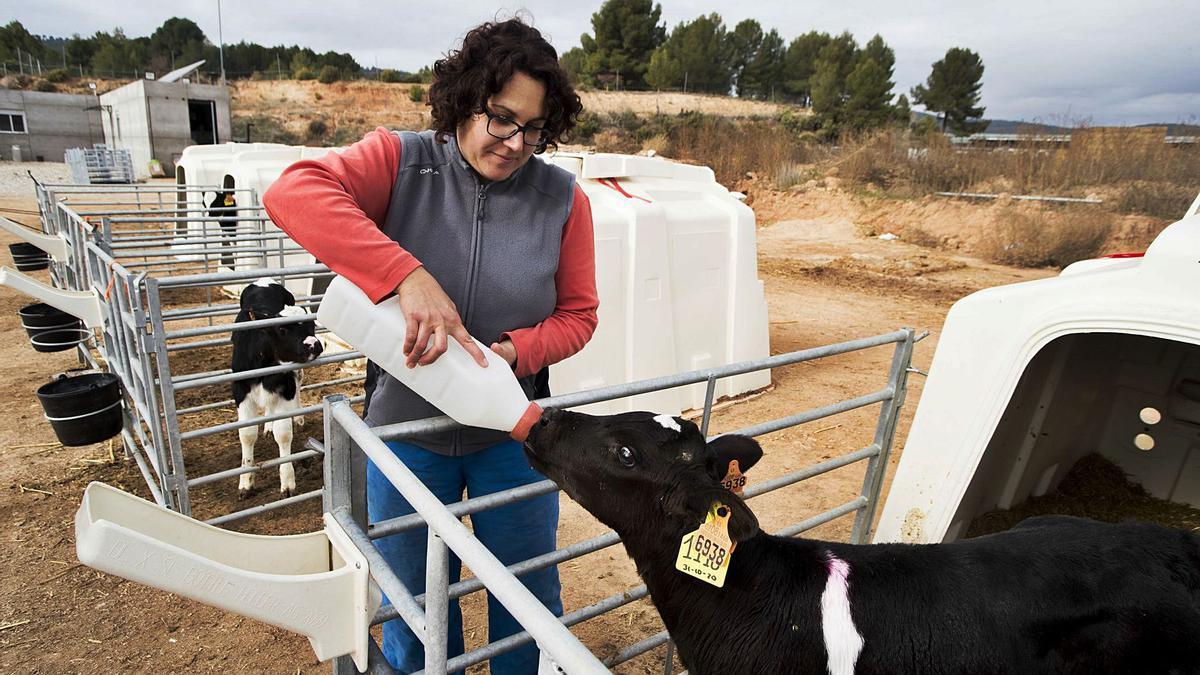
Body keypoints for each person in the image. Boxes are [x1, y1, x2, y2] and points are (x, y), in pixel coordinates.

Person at [262, 18, 597, 674]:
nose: (515, 141)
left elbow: (580, 315)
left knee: (525, 598)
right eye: (501, 117)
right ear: (465, 97)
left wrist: (512, 353)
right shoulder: (402, 160)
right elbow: (292, 191)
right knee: (413, 606)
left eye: (533, 127)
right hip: (407, 434)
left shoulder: (562, 199)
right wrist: (405, 275)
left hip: (511, 436)